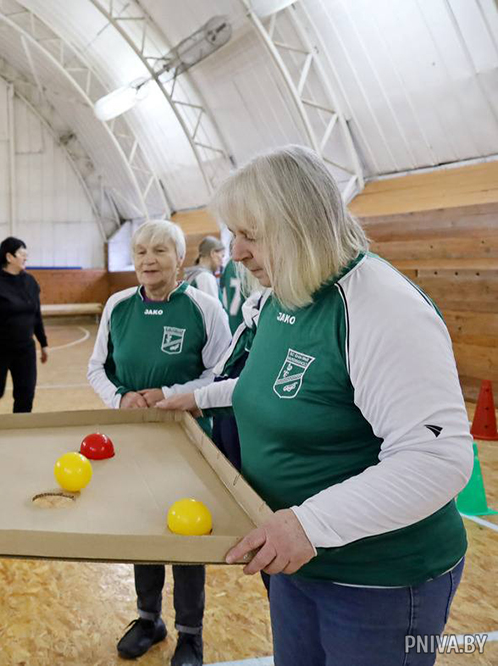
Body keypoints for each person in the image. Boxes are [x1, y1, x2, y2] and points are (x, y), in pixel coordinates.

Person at [157, 146, 473, 665]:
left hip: (379, 580)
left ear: (300, 226)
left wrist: (309, 523)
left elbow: (438, 459)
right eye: (233, 234)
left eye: (251, 235)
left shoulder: (381, 308)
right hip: (298, 562)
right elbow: (275, 388)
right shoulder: (288, 291)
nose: (237, 252)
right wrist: (195, 399)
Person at [87, 219, 231, 666]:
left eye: (159, 251)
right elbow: (97, 368)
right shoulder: (118, 305)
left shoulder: (205, 308)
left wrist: (170, 394)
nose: (148, 260)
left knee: (186, 530)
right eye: (140, 251)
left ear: (179, 258)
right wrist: (120, 397)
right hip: (135, 438)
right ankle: (149, 620)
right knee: (143, 526)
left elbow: (222, 374)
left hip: (188, 440)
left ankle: (191, 634)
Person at [0, 236, 49, 415]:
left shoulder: (30, 282)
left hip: (25, 349)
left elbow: (36, 315)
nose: (26, 258)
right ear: (9, 257)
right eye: (22, 254)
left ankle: (20, 430)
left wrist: (43, 343)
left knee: (26, 394)